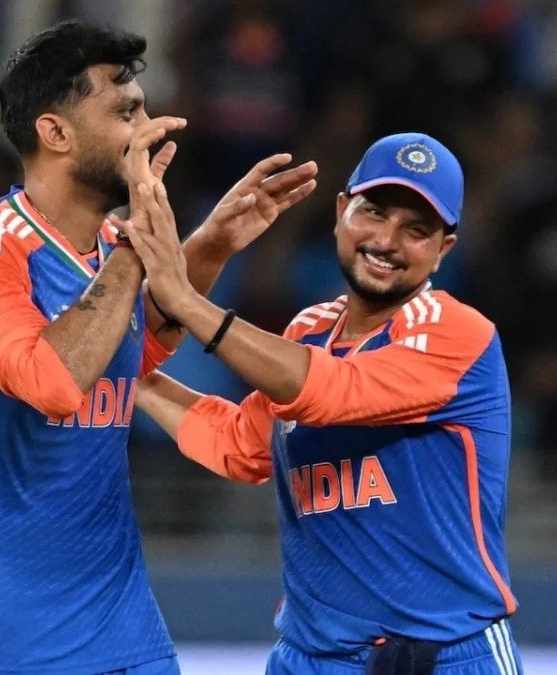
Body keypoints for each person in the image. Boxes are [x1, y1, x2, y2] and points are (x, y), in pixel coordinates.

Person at [0, 21, 317, 675]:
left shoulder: (110, 249)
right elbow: (54, 380)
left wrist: (212, 244)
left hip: (123, 633)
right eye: (126, 112)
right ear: (55, 133)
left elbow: (127, 356)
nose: (150, 130)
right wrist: (137, 243)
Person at [126, 133, 522, 674]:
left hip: (442, 656)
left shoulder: (456, 333)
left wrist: (185, 301)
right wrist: (132, 379)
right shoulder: (309, 331)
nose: (386, 241)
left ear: (442, 250)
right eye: (374, 213)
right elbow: (242, 446)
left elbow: (329, 392)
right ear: (341, 211)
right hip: (312, 657)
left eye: (416, 229)